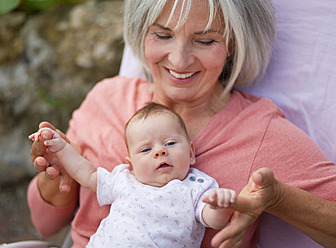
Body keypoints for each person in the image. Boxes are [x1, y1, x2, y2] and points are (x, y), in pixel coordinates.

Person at [27, 0, 336, 248]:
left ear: (232, 44)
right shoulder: (107, 98)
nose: (179, 60)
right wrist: (56, 180)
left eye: (204, 40)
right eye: (162, 35)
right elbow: (46, 225)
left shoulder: (260, 133)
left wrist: (278, 197)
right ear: (142, 31)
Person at [29, 102, 237, 247]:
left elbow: (212, 219)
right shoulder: (125, 179)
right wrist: (62, 149)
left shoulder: (197, 187)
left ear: (191, 153)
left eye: (170, 143)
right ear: (132, 165)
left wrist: (220, 206)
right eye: (146, 150)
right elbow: (87, 174)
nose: (160, 151)